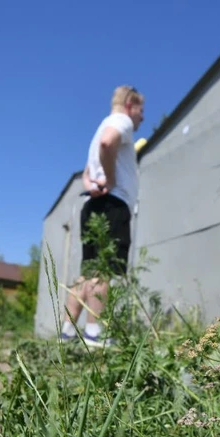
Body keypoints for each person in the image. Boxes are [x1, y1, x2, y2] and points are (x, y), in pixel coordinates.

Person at [60, 85, 144, 346]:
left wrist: (93, 184)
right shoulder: (122, 122)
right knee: (103, 271)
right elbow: (109, 143)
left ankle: (67, 333)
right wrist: (109, 179)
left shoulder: (100, 128)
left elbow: (87, 173)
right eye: (141, 110)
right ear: (130, 104)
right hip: (113, 205)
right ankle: (94, 336)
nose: (142, 118)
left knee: (86, 272)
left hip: (93, 204)